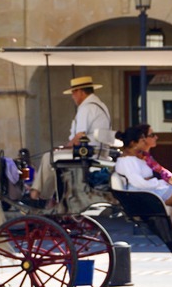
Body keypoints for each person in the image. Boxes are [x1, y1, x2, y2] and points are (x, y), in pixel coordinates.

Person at [28, 75, 111, 204]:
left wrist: (65, 147)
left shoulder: (86, 107)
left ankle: (37, 196)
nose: (73, 97)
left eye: (73, 93)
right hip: (99, 152)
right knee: (53, 156)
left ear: (81, 92)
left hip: (87, 153)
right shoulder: (101, 105)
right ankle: (45, 195)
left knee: (48, 157)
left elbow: (79, 136)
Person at [113, 126, 172, 248]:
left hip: (150, 190)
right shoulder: (127, 161)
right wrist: (156, 182)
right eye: (142, 140)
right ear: (133, 143)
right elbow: (139, 182)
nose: (145, 142)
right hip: (145, 194)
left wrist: (153, 181)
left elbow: (147, 178)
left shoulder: (138, 158)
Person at [137, 124, 172, 189]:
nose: (156, 137)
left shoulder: (147, 156)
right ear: (143, 138)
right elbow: (163, 173)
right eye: (152, 135)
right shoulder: (142, 156)